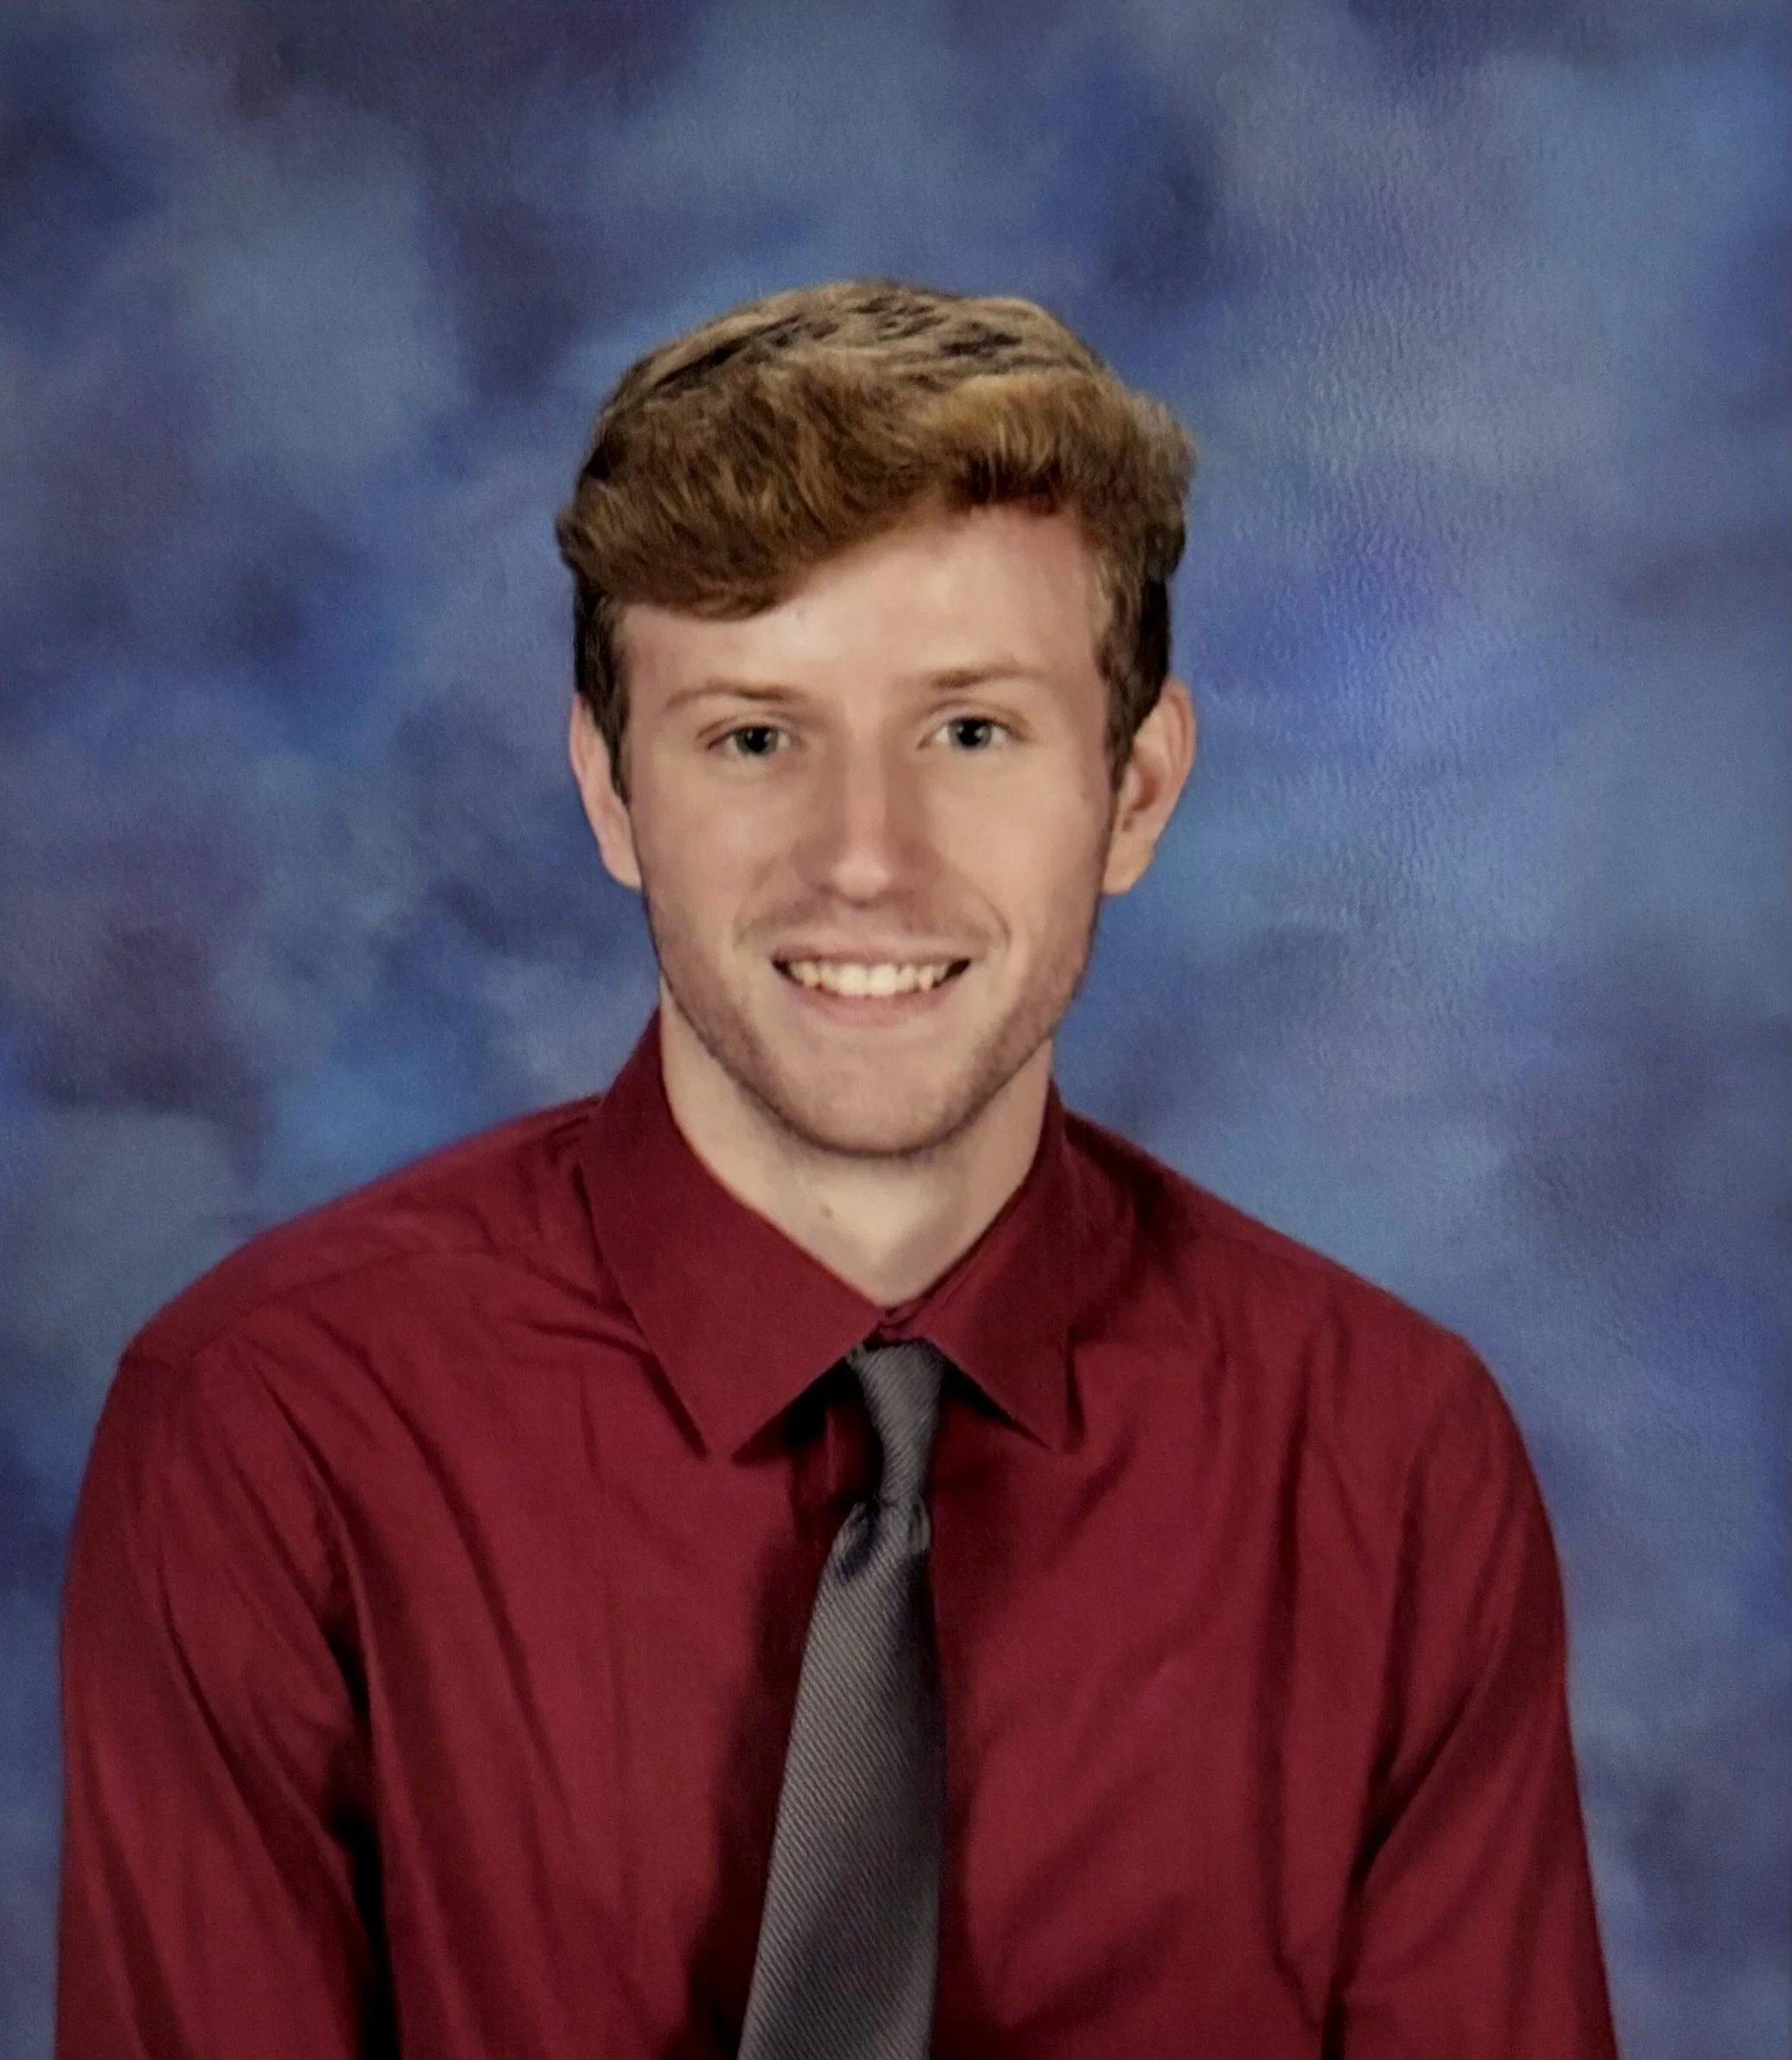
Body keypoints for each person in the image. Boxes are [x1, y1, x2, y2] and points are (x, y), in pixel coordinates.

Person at [55, 279, 1619, 2059]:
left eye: (971, 730)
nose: (863, 860)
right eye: (752, 735)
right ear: (607, 789)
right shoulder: (273, 1430)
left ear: (1137, 788)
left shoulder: (1389, 1464)